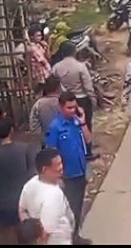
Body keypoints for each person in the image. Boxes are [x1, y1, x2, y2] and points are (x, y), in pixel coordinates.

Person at [45, 92, 92, 244]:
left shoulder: (77, 122)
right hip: (67, 176)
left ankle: (75, 236)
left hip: (80, 171)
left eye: (74, 107)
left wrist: (83, 122)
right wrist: (57, 178)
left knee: (77, 208)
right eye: (69, 108)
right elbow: (51, 153)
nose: (72, 110)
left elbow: (89, 140)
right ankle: (70, 239)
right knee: (69, 211)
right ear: (60, 107)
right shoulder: (55, 127)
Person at [0, 117, 38, 243]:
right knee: (27, 231)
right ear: (12, 130)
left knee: (10, 233)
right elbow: (32, 173)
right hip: (24, 199)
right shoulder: (24, 149)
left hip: (4, 203)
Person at [18, 147, 75, 245]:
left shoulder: (30, 184)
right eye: (57, 165)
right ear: (45, 169)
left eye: (61, 163)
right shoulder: (53, 195)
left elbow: (21, 209)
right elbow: (46, 231)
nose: (61, 167)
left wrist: (29, 228)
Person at [51, 42, 96, 159]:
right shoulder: (80, 66)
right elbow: (88, 86)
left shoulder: (56, 67)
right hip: (81, 99)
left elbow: (53, 83)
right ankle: (88, 151)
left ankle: (70, 150)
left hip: (64, 100)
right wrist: (93, 99)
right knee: (84, 124)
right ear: (74, 52)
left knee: (67, 125)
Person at [29, 77, 61, 146]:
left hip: (44, 142)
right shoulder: (63, 103)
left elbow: (33, 126)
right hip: (62, 138)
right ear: (58, 88)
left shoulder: (38, 104)